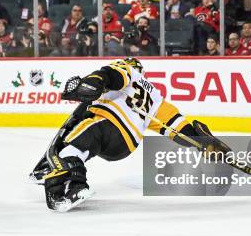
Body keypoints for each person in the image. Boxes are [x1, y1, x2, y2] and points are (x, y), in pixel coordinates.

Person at [29, 58, 231, 211]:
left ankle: (75, 186)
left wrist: (95, 80)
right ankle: (71, 180)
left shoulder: (129, 71)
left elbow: (110, 75)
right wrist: (201, 142)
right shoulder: (156, 97)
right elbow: (177, 128)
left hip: (107, 124)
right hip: (125, 145)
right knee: (83, 149)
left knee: (70, 148)